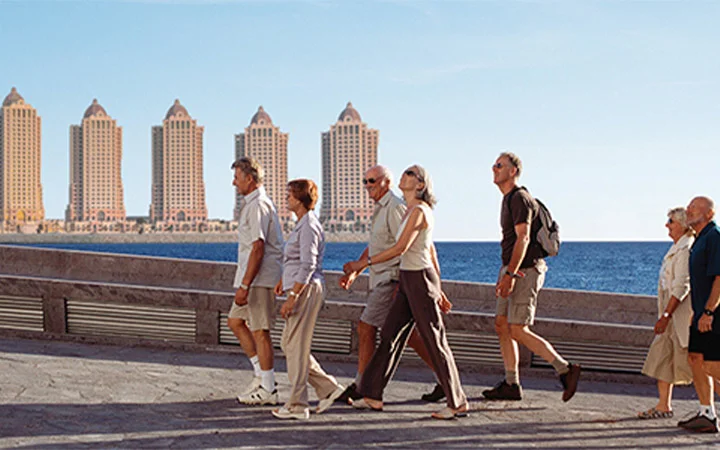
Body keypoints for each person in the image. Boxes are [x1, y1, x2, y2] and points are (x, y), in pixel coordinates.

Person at [347, 164, 468, 420]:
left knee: (435, 339)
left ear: (421, 185)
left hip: (420, 280)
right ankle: (372, 395)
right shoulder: (408, 211)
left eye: (411, 173)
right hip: (407, 279)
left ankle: (457, 402)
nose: (405, 175)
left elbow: (401, 248)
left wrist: (362, 265)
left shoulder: (420, 212)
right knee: (390, 334)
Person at [338, 165, 444, 403]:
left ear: (386, 182)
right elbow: (379, 244)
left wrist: (425, 283)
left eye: (372, 181)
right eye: (365, 182)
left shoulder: (396, 208)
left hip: (392, 279)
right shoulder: (381, 209)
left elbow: (405, 247)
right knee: (412, 336)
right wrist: (358, 268)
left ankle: (362, 386)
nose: (367, 186)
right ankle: (443, 380)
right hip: (382, 278)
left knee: (366, 328)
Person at [484, 152, 580, 402]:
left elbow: (523, 238)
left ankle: (565, 369)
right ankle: (511, 383)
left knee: (518, 328)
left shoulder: (520, 198)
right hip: (513, 268)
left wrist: (512, 273)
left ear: (513, 171)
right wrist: (505, 271)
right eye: (494, 165)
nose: (494, 168)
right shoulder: (508, 200)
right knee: (502, 324)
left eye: (499, 165)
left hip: (525, 270)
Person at [271, 179, 344, 420]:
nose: (286, 198)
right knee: (290, 345)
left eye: (290, 195)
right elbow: (295, 261)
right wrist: (285, 280)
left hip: (306, 291)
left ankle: (297, 405)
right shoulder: (301, 224)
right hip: (300, 287)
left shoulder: (309, 226)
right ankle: (329, 388)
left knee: (295, 347)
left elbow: (309, 264)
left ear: (301, 199)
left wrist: (293, 295)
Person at [227, 157, 284, 406]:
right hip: (252, 277)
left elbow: (258, 247)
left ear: (249, 179)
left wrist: (245, 285)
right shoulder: (253, 204)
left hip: (259, 279)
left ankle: (269, 389)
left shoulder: (258, 205)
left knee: (261, 331)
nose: (234, 183)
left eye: (237, 178)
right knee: (235, 321)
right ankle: (261, 376)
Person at [638, 207, 694, 419]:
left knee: (696, 366)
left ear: (682, 224)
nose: (667, 225)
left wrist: (666, 316)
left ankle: (707, 408)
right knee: (663, 359)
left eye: (671, 221)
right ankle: (663, 406)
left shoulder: (686, 249)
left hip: (679, 318)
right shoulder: (676, 248)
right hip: (670, 318)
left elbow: (681, 286)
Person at [677, 196, 720, 433]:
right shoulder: (699, 239)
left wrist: (708, 311)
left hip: (713, 313)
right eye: (689, 207)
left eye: (695, 208)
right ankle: (707, 414)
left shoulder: (715, 237)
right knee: (696, 359)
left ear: (710, 214)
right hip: (701, 312)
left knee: (713, 366)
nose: (689, 210)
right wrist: (697, 311)